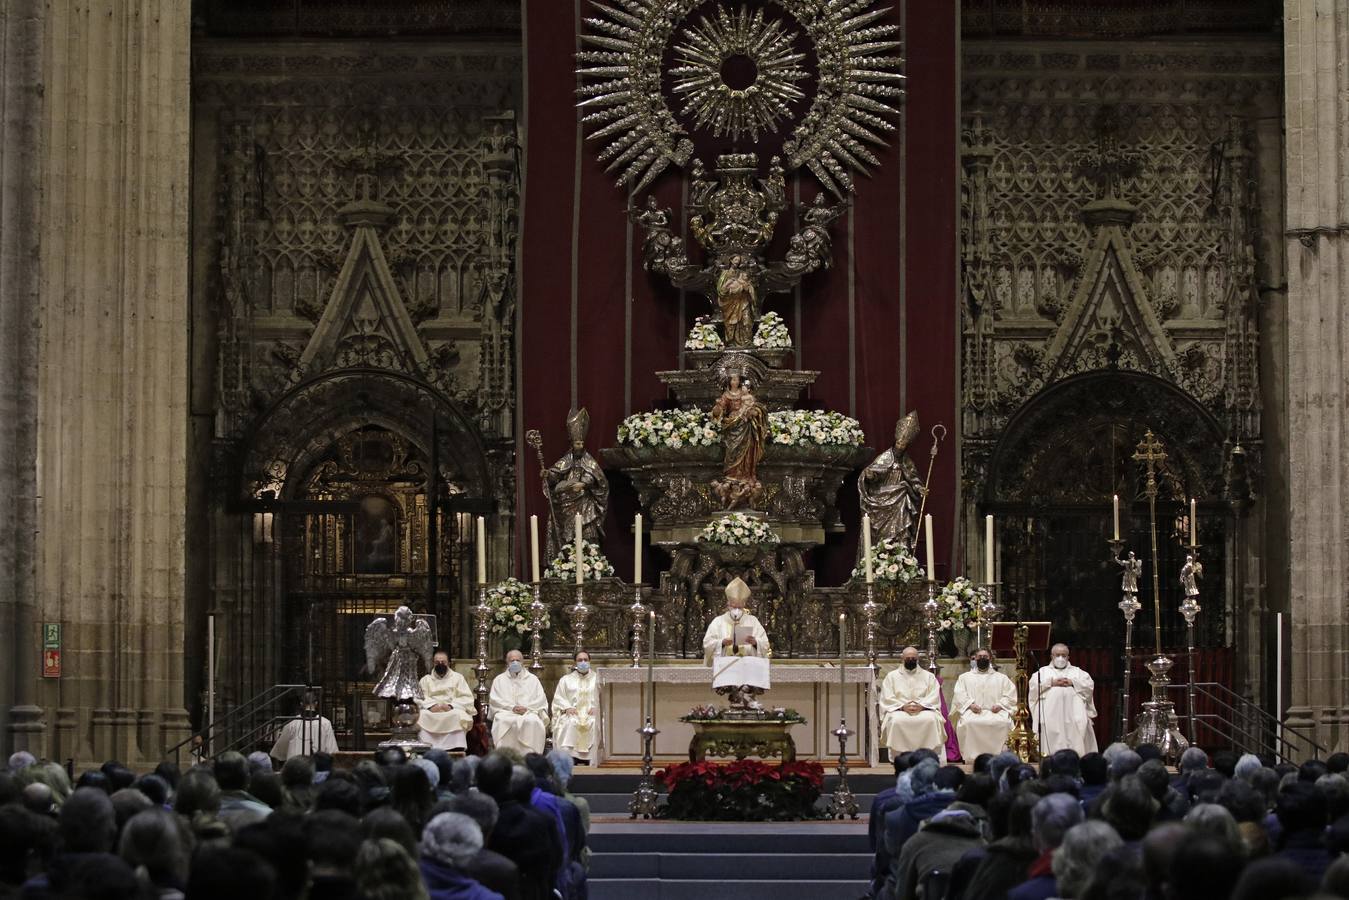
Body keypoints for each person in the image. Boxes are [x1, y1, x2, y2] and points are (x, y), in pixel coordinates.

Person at [543, 407, 608, 561]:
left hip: (585, 503)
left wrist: (584, 484)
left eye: (581, 443)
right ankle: (567, 563)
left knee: (588, 533)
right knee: (567, 538)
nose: (580, 446)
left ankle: (592, 562)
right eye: (577, 443)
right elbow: (556, 472)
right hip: (566, 506)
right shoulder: (567, 459)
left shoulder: (589, 460)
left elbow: (595, 475)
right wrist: (548, 474)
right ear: (572, 443)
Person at [858, 411, 924, 551]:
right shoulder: (885, 458)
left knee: (902, 529)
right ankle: (880, 556)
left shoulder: (907, 462)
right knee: (881, 536)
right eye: (899, 442)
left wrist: (920, 489)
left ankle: (901, 557)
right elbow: (874, 473)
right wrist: (870, 476)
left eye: (904, 444)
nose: (900, 446)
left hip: (900, 499)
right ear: (895, 442)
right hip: (881, 500)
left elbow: (914, 479)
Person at [878, 646, 948, 760]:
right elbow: (887, 697)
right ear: (902, 658)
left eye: (913, 658)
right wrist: (902, 707)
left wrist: (922, 706)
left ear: (917, 659)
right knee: (896, 720)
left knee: (931, 719)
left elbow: (933, 696)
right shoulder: (892, 676)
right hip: (899, 710)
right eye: (908, 658)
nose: (911, 660)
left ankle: (928, 755)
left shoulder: (929, 676)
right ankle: (900, 757)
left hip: (923, 709)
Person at [1028, 643, 1098, 755]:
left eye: (1064, 655)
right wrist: (1051, 682)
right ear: (1052, 656)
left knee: (1080, 723)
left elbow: (1089, 686)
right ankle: (1050, 757)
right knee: (1049, 726)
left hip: (1074, 712)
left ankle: (1076, 756)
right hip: (1050, 712)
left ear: (1068, 657)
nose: (1061, 658)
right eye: (1057, 655)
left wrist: (1073, 682)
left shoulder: (1077, 672)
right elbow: (1033, 688)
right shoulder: (1042, 672)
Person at [953, 648, 1016, 760]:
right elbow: (959, 694)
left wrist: (1000, 705)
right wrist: (970, 705)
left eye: (985, 657)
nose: (982, 659)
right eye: (980, 657)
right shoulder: (964, 678)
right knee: (968, 722)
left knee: (1004, 722)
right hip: (973, 711)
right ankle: (972, 757)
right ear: (975, 659)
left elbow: (1010, 695)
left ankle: (1000, 756)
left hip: (996, 711)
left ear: (990, 659)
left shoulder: (1002, 678)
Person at [488, 650, 549, 755]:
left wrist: (527, 708)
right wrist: (512, 707)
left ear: (523, 662)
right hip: (506, 712)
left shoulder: (533, 679)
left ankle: (531, 755)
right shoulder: (499, 680)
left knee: (533, 722)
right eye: (512, 660)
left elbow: (540, 699)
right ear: (507, 663)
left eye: (518, 660)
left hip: (528, 712)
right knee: (502, 721)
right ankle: (505, 756)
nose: (515, 662)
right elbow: (494, 700)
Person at [418, 648, 476, 752]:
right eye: (437, 662)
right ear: (433, 663)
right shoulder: (425, 679)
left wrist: (451, 706)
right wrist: (431, 706)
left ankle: (456, 747)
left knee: (458, 715)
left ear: (448, 663)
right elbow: (419, 697)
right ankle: (426, 746)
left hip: (451, 710)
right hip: (432, 710)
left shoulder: (458, 678)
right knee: (422, 715)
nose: (440, 664)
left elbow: (466, 697)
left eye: (443, 662)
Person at [550, 651, 597, 763]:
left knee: (595, 723)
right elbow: (559, 697)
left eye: (586, 660)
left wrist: (598, 707)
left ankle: (592, 757)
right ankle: (569, 757)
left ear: (590, 661)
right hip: (572, 712)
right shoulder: (566, 680)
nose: (583, 662)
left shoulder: (598, 678)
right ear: (575, 663)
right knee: (570, 722)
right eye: (580, 660)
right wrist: (566, 707)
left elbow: (604, 696)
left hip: (592, 714)